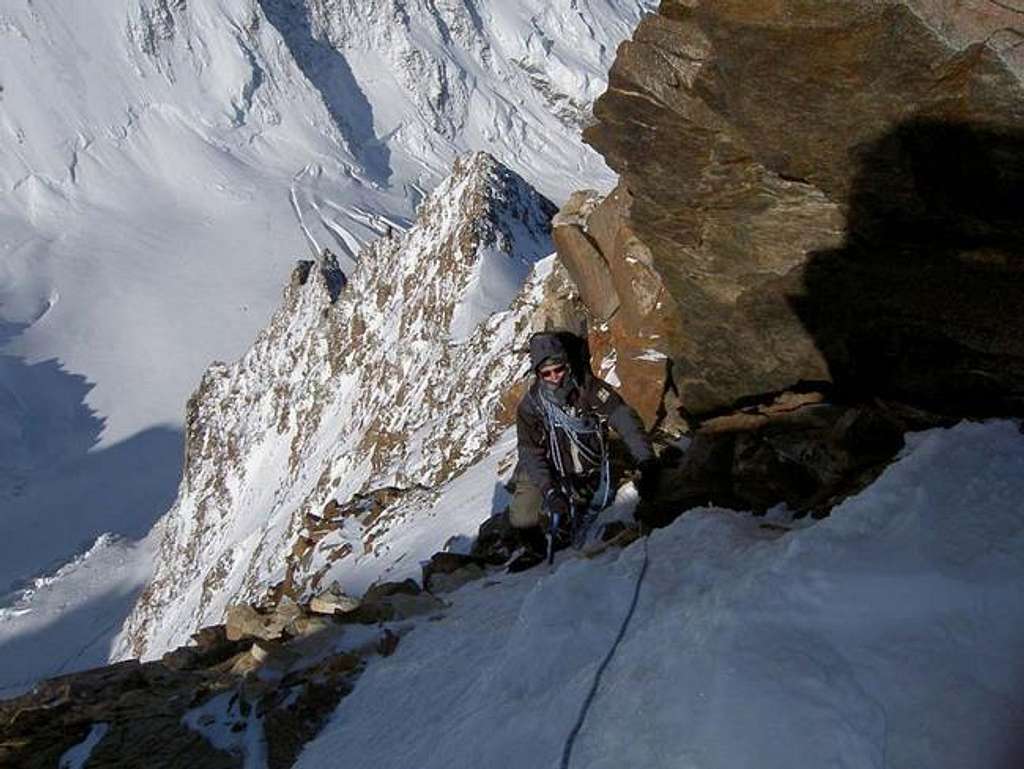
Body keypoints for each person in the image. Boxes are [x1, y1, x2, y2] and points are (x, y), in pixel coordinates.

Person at [508, 330, 658, 569]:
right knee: (523, 517)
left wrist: (646, 460)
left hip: (589, 463)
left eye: (559, 369)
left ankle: (577, 505)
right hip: (552, 468)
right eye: (547, 373)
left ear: (567, 365)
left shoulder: (589, 389)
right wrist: (548, 491)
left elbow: (624, 419)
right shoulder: (531, 407)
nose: (555, 377)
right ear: (538, 374)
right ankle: (537, 548)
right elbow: (530, 453)